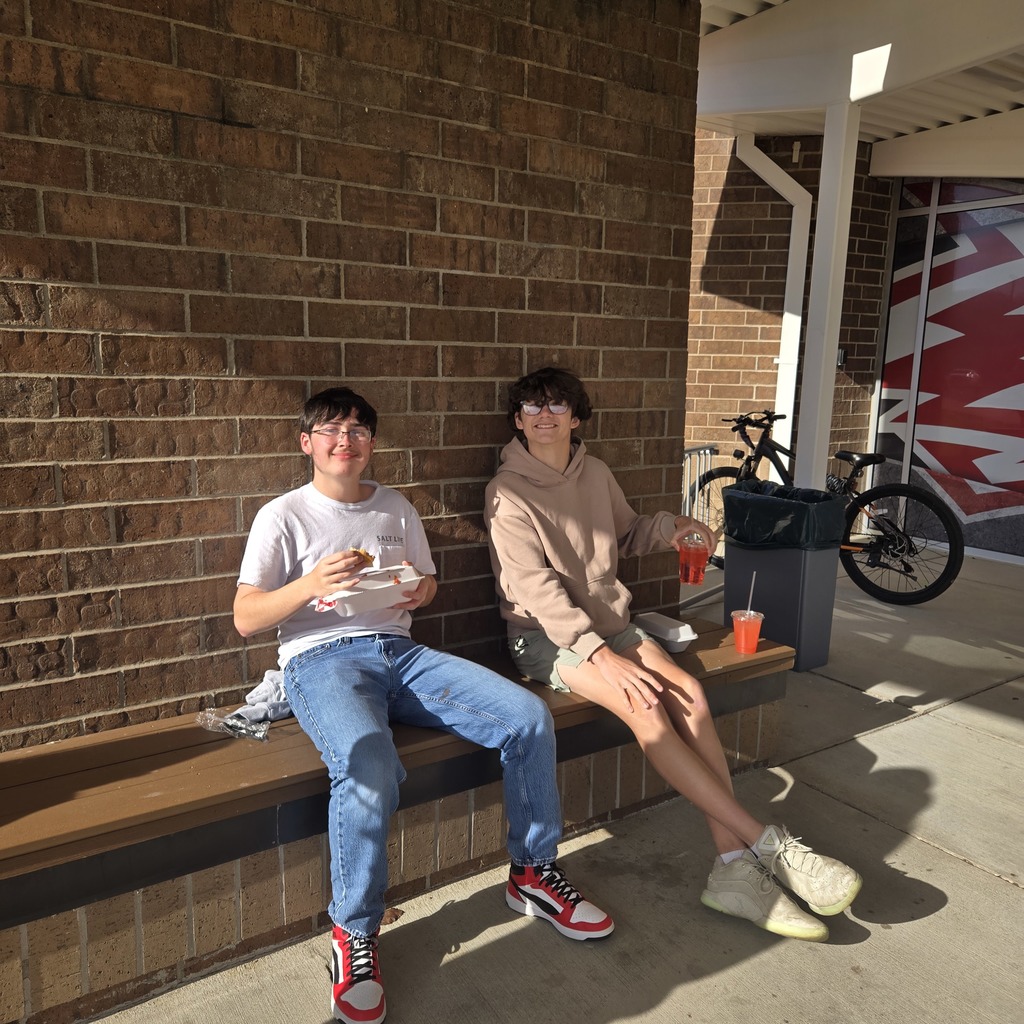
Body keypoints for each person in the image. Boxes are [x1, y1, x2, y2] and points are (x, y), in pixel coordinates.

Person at [234, 386, 613, 1024]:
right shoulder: (283, 516)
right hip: (320, 659)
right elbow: (246, 617)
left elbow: (426, 582)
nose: (344, 441)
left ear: (371, 443)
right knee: (369, 767)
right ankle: (353, 931)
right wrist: (311, 584)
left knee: (527, 717)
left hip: (402, 653)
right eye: (330, 430)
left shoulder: (395, 508)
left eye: (357, 431)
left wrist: (418, 589)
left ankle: (533, 872)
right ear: (307, 443)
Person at [484, 367, 862, 944]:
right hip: (544, 638)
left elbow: (628, 530)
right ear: (518, 420)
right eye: (531, 407)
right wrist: (597, 655)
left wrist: (674, 529)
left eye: (556, 406)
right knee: (648, 710)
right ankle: (767, 846)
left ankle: (734, 868)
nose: (544, 415)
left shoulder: (596, 473)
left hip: (612, 626)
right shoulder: (507, 492)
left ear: (575, 418)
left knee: (691, 697)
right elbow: (533, 589)